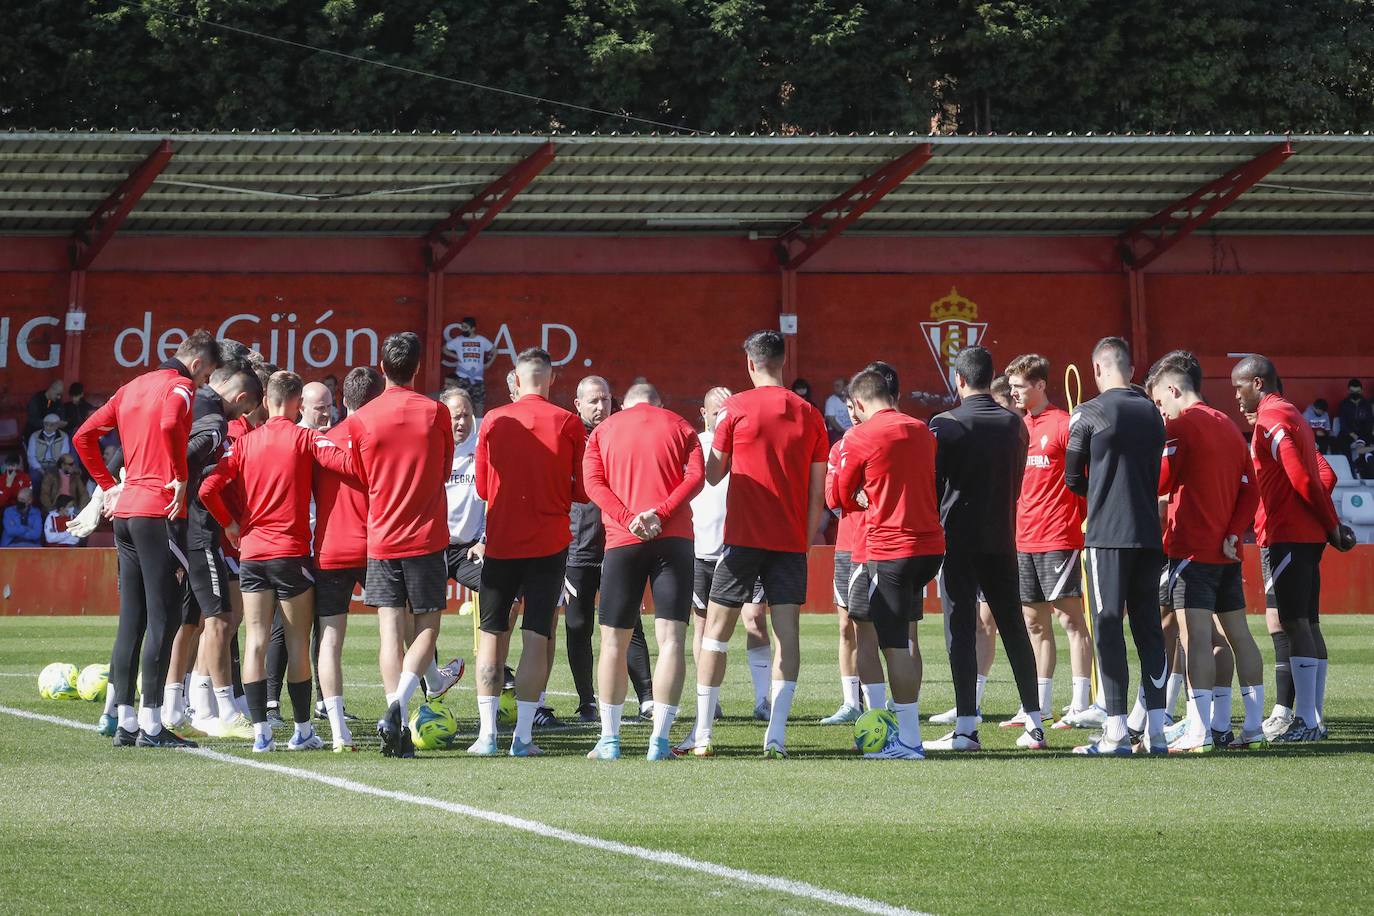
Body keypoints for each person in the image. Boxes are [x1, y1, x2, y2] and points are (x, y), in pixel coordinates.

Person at [72, 329, 221, 749]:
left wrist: (108, 486)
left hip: (126, 511)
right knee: (165, 617)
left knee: (131, 620)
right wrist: (179, 476)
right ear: (197, 365)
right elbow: (173, 420)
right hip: (157, 511)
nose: (204, 382)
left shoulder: (132, 386)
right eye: (207, 374)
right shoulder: (181, 386)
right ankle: (153, 727)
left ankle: (125, 721)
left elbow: (82, 436)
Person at [199, 370, 357, 753]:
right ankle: (303, 731)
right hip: (291, 554)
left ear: (266, 401)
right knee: (298, 642)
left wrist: (231, 525)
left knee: (254, 641)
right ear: (297, 403)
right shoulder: (305, 439)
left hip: (252, 554)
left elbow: (207, 488)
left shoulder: (245, 444)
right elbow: (350, 466)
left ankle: (261, 734)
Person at [692, 330, 828, 759]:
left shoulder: (734, 408)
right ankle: (777, 737)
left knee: (715, 633)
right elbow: (817, 491)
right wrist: (804, 541)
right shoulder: (809, 412)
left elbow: (713, 475)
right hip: (789, 541)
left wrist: (714, 437)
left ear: (750, 364)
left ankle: (702, 735)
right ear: (782, 361)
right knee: (786, 635)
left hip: (741, 540)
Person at [925, 347, 1044, 752]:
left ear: (958, 380)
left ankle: (965, 729)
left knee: (960, 630)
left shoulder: (945, 423)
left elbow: (932, 486)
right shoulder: (1016, 425)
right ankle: (1036, 722)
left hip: (957, 539)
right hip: (1001, 538)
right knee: (1013, 627)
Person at [343, 332, 455, 758]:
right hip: (425, 537)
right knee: (426, 628)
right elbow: (444, 469)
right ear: (418, 368)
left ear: (383, 368)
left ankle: (397, 723)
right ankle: (398, 708)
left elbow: (360, 475)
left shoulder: (363, 417)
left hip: (382, 537)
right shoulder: (436, 412)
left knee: (390, 634)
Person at [1232, 355, 1355, 743]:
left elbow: (1303, 477)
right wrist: (1326, 524)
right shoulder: (1290, 415)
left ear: (1257, 383)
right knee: (1305, 623)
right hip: (1297, 534)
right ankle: (1311, 718)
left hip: (1289, 533)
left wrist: (1330, 524)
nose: (1235, 397)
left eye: (1238, 387)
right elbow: (1317, 475)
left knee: (1294, 623)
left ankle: (1304, 720)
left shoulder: (1272, 419)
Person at [469, 347, 585, 757]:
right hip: (549, 544)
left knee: (490, 636)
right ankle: (522, 737)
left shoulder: (495, 420)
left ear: (516, 380)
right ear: (551, 379)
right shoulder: (569, 422)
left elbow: (482, 488)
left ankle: (486, 736)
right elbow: (582, 490)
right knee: (537, 637)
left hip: (501, 543)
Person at [1146, 353, 1264, 752]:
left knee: (1193, 639)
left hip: (1191, 551)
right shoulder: (1229, 425)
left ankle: (1198, 731)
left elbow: (1161, 479)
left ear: (1173, 390)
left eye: (1160, 401)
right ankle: (1252, 728)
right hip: (1226, 552)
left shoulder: (1180, 426)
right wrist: (1234, 532)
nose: (1160, 410)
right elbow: (1251, 488)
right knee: (1239, 636)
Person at [582, 382, 704, 760]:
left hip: (623, 540)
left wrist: (628, 517)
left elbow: (592, 484)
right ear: (659, 402)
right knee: (671, 640)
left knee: (613, 643)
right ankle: (660, 741)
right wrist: (662, 512)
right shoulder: (681, 426)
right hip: (674, 540)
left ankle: (610, 740)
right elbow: (695, 478)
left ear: (624, 403)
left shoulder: (604, 430)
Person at [1062, 337, 1169, 755]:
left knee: (1107, 625)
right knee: (1149, 631)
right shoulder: (1153, 413)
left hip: (1107, 535)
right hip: (1147, 533)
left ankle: (1117, 731)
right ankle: (1156, 731)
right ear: (1131, 366)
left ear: (1097, 369)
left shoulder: (1087, 413)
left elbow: (1072, 478)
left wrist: (1100, 493)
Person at [833, 369, 945, 758]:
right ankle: (896, 730)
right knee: (901, 637)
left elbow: (839, 492)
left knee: (891, 643)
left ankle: (907, 740)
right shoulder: (922, 430)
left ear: (859, 403)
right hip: (928, 546)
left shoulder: (860, 435)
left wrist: (863, 494)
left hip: (888, 548)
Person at [675, 387, 774, 755]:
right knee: (703, 625)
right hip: (702, 548)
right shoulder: (695, 445)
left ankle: (762, 700)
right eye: (717, 411)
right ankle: (709, 701)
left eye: (728, 410)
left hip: (742, 546)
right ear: (704, 412)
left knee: (755, 619)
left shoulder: (744, 441)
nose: (722, 417)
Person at [1005, 354, 1098, 731]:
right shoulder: (1015, 428)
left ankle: (1079, 704)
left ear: (1040, 385)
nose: (1014, 392)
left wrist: (1078, 522)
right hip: (1023, 539)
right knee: (1034, 623)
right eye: (1011, 386)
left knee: (1070, 620)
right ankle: (1039, 707)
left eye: (1020, 386)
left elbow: (1085, 481)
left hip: (1058, 537)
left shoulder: (1063, 425)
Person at [563, 375, 655, 725]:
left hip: (619, 542)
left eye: (605, 399)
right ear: (579, 404)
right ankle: (587, 701)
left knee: (630, 623)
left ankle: (647, 698)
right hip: (578, 546)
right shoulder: (569, 437)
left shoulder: (622, 432)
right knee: (577, 624)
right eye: (593, 401)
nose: (601, 407)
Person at [181, 355, 265, 740]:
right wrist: (230, 524)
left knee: (224, 622)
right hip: (215, 535)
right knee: (211, 621)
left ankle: (205, 702)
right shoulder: (227, 430)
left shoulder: (233, 426)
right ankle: (204, 704)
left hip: (221, 535)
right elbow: (209, 484)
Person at [310, 366, 387, 751]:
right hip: (377, 547)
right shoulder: (383, 440)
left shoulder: (321, 440)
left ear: (343, 400)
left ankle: (339, 731)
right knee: (395, 633)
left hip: (331, 549)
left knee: (330, 640)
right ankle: (400, 719)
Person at [445, 315, 497, 414]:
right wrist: (456, 356)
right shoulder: (458, 340)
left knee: (479, 406)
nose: (463, 329)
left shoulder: (481, 340)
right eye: (462, 327)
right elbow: (444, 349)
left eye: (466, 327)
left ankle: (477, 428)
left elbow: (494, 351)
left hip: (477, 378)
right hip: (462, 377)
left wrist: (488, 364)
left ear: (473, 328)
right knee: (460, 405)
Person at [27, 413, 70, 489]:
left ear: (57, 425)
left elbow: (64, 455)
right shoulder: (34, 436)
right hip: (39, 465)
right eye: (46, 424)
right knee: (35, 478)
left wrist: (56, 468)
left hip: (56, 465)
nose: (48, 427)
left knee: (62, 478)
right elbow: (31, 456)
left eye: (51, 425)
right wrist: (40, 469)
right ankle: (36, 499)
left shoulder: (64, 436)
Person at [1336, 378, 1372, 455]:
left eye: (1357, 392)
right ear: (1348, 391)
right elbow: (1343, 423)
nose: (1355, 394)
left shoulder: (1367, 404)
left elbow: (1369, 422)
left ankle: (1366, 464)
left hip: (1364, 433)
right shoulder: (1344, 404)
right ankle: (1349, 465)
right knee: (1341, 444)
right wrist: (1353, 435)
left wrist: (1361, 437)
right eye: (1352, 392)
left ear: (1362, 391)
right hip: (1348, 434)